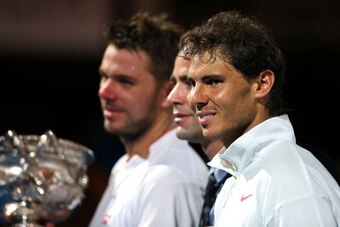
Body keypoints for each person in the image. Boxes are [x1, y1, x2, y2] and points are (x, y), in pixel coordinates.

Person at [180, 11, 340, 226]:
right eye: (193, 84)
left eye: (213, 81)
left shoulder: (290, 179)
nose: (195, 98)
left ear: (262, 84)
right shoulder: (234, 182)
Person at [89, 12, 209, 227]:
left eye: (124, 81)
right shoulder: (127, 166)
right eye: (104, 76)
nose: (105, 92)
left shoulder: (168, 180)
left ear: (167, 93)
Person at [167, 54, 229, 227]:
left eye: (189, 83)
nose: (172, 97)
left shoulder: (272, 178)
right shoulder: (217, 180)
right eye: (174, 83)